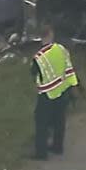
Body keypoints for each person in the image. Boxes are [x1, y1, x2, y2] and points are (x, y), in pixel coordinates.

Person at [31, 24, 79, 160]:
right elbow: (68, 67)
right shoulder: (61, 49)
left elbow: (34, 74)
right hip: (63, 90)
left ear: (40, 37)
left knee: (41, 122)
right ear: (51, 34)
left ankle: (41, 153)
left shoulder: (39, 57)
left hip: (47, 94)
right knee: (59, 120)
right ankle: (58, 146)